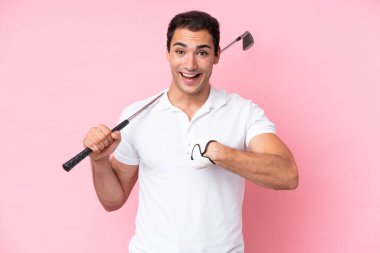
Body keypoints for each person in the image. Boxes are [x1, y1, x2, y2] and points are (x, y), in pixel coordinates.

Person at [83, 10, 298, 253]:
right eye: (180, 51)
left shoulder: (243, 113)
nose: (190, 64)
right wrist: (100, 162)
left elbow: (288, 175)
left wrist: (222, 154)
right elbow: (112, 201)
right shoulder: (136, 115)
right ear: (167, 53)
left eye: (202, 53)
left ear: (217, 55)